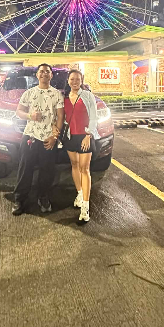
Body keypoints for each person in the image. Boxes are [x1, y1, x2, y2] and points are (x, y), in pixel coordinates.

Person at [12, 64, 65, 216]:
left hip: (49, 138)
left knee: (47, 170)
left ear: (51, 75)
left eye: (47, 71)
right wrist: (30, 116)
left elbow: (60, 116)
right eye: (41, 71)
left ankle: (43, 197)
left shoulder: (57, 94)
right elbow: (19, 111)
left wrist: (55, 137)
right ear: (37, 75)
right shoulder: (29, 93)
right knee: (25, 169)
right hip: (31, 136)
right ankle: (20, 199)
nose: (44, 74)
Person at [63, 69, 100, 222]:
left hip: (85, 136)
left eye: (77, 79)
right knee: (74, 165)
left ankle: (85, 207)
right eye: (72, 79)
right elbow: (62, 117)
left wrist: (88, 135)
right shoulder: (64, 97)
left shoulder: (88, 95)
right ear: (68, 80)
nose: (75, 82)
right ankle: (79, 193)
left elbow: (94, 117)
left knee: (84, 169)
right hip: (70, 137)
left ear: (82, 80)